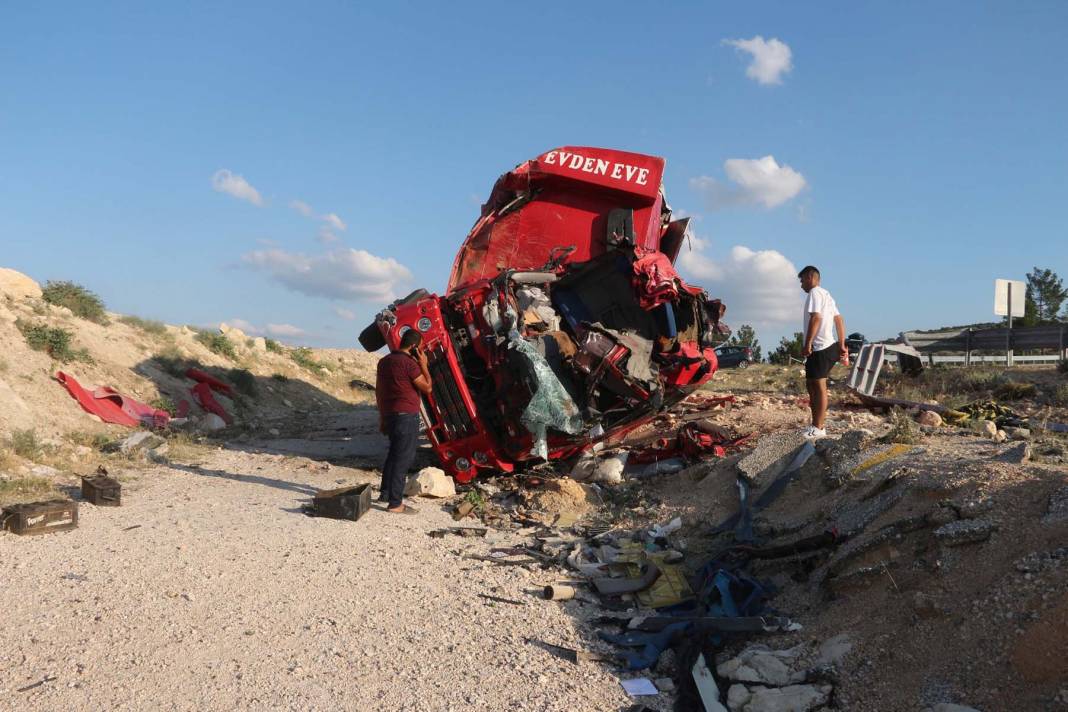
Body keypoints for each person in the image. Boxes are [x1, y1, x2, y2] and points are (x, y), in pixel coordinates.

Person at [374, 328, 432, 514]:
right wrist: (424, 364)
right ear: (414, 347)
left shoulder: (384, 362)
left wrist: (383, 416)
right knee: (403, 458)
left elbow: (379, 392)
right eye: (420, 348)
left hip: (390, 414)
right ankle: (395, 503)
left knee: (393, 454)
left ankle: (385, 493)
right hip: (406, 416)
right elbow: (428, 388)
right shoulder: (410, 364)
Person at [798, 265, 848, 439]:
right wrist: (841, 343)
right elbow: (839, 319)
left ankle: (819, 428)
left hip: (820, 347)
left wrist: (807, 343)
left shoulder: (815, 293)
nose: (801, 284)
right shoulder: (827, 295)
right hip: (828, 346)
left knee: (818, 387)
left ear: (811, 277)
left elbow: (816, 317)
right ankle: (815, 426)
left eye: (802, 280)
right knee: (812, 385)